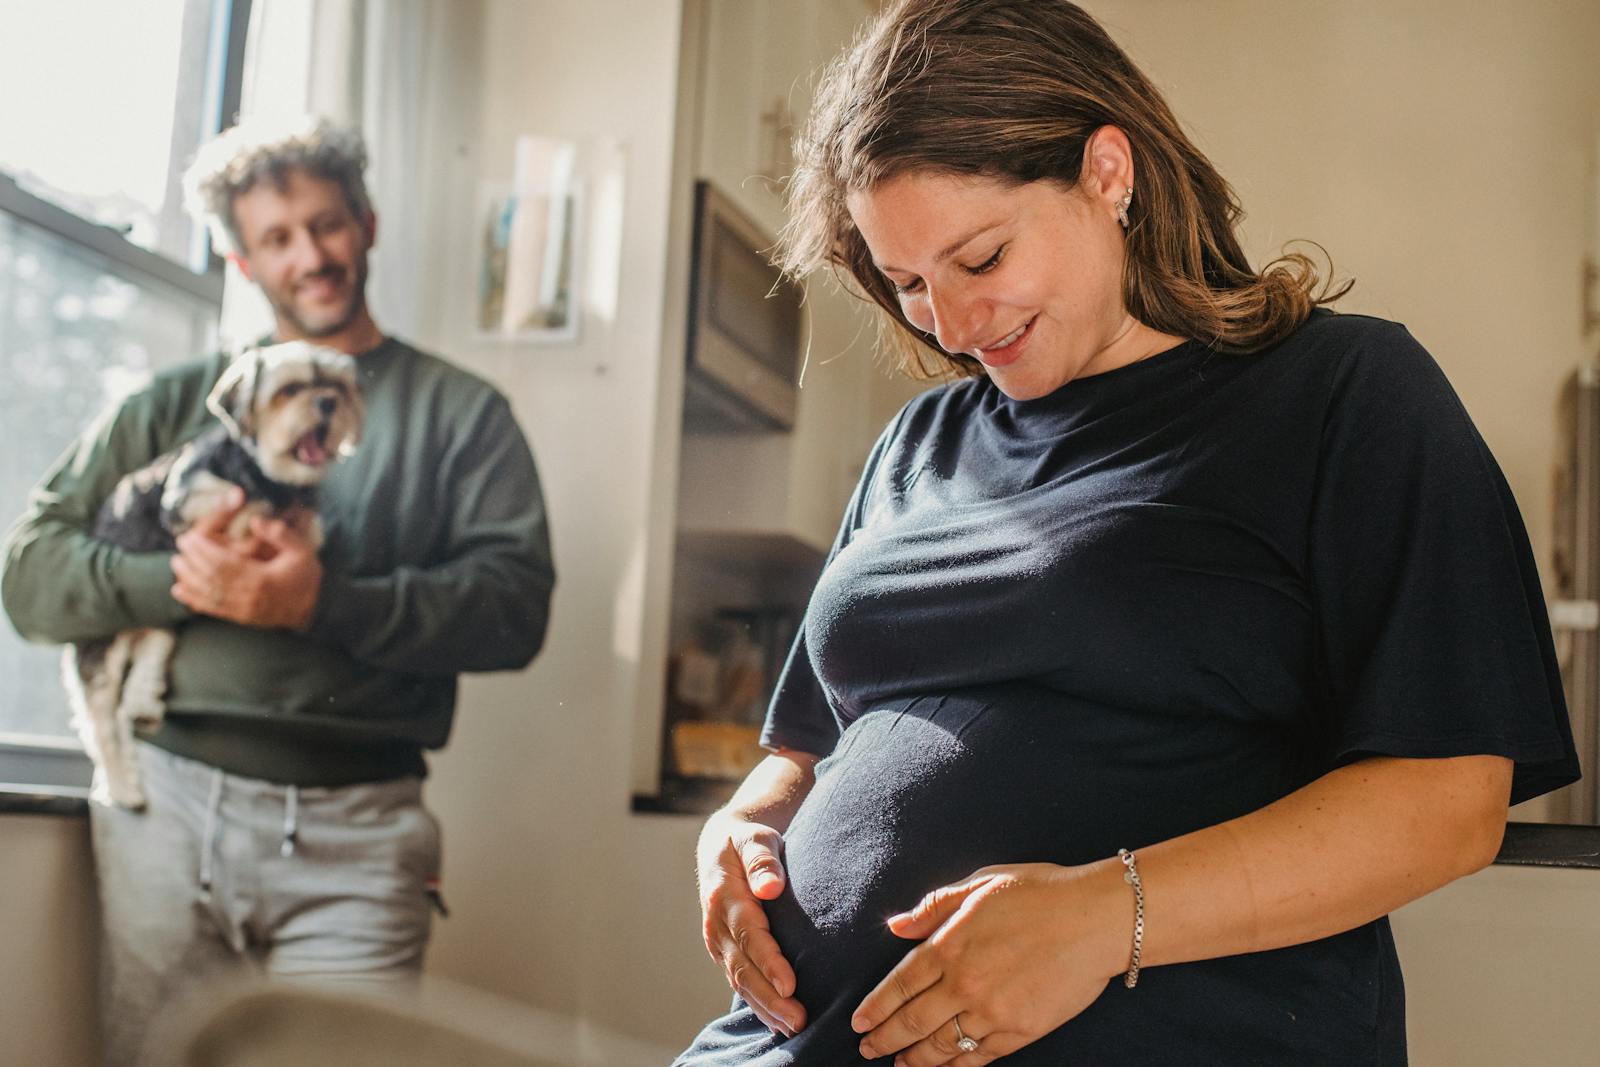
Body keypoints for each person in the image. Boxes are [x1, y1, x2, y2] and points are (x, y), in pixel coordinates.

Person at [675, 1, 1579, 1063]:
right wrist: (735, 832)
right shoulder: (917, 442)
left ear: (1108, 170)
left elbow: (1448, 799)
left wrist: (1103, 916)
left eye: (981, 257)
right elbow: (802, 749)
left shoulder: (1342, 394)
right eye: (908, 284)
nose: (951, 327)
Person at [0, 116, 555, 1066]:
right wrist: (182, 579)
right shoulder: (175, 402)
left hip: (363, 836)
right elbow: (29, 578)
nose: (312, 255)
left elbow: (514, 609)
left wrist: (315, 602)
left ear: (368, 223)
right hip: (159, 818)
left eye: (328, 224)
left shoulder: (464, 415)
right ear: (239, 258)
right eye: (278, 237)